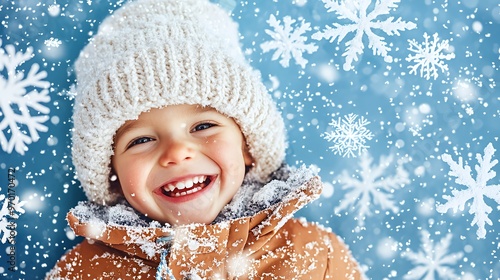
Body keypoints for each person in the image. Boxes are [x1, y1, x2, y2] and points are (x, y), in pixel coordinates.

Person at [46, 0, 361, 279]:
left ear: (248, 146)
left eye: (203, 126)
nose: (177, 152)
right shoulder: (83, 272)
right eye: (140, 140)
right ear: (111, 175)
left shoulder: (317, 257)